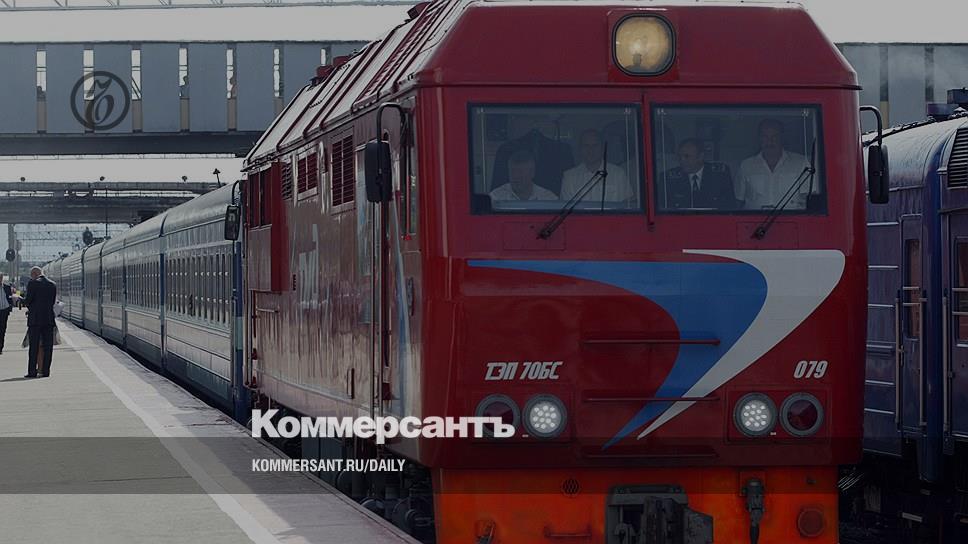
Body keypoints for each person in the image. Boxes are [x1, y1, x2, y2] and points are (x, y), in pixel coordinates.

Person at [737, 119, 813, 210]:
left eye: (775, 136)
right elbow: (738, 200)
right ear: (759, 138)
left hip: (794, 222)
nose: (770, 141)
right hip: (753, 222)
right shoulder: (746, 165)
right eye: (765, 137)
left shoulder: (801, 163)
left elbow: (812, 199)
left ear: (782, 138)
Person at [490, 115, 574, 196]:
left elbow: (569, 186)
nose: (518, 176)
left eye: (541, 119)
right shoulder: (506, 150)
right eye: (515, 171)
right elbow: (497, 186)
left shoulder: (562, 150)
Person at [559, 129, 633, 204]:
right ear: (580, 149)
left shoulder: (618, 174)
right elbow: (567, 209)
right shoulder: (569, 177)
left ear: (602, 148)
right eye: (586, 146)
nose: (590, 150)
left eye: (595, 145)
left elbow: (627, 205)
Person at [660, 138, 737, 210]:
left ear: (700, 157)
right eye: (680, 157)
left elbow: (730, 207)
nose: (682, 160)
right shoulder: (669, 178)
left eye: (687, 156)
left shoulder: (720, 175)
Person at [23, 266, 56, 378]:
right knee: (48, 347)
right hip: (48, 319)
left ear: (34, 274)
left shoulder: (33, 284)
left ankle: (32, 372)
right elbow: (52, 302)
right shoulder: (52, 284)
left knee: (34, 346)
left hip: (35, 320)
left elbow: (28, 301)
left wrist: (18, 298)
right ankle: (46, 371)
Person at [489, 150, 558, 202]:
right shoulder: (495, 198)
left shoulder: (548, 199)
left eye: (520, 172)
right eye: (512, 171)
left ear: (532, 173)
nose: (515, 176)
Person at [0, 273, 12, 355]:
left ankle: (0, 347)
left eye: (0, 278)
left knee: (2, 329)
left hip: (4, 311)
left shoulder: (7, 287)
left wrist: (9, 309)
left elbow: (9, 298)